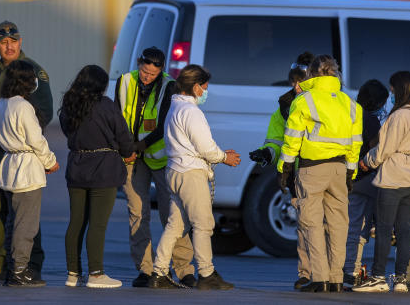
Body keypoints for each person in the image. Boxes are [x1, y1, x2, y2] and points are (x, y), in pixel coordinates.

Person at [148, 64, 241, 290]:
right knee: (203, 225)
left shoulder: (174, 108)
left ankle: (159, 272)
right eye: (205, 87)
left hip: (174, 171)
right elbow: (205, 147)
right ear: (197, 87)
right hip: (190, 173)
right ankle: (207, 274)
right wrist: (223, 157)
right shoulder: (191, 112)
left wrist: (217, 154)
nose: (206, 92)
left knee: (175, 225)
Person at [0, 21, 53, 281]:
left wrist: (27, 144)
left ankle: (30, 263)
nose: (9, 46)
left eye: (13, 41)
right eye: (3, 42)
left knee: (25, 212)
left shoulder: (33, 71)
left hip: (21, 152)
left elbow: (42, 113)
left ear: (21, 42)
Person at [278, 54, 362, 293]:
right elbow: (356, 143)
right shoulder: (350, 103)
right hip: (339, 169)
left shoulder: (304, 100)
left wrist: (284, 167)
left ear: (312, 74)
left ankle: (319, 278)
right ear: (335, 74)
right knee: (339, 226)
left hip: (311, 169)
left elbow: (292, 138)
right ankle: (336, 279)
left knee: (311, 223)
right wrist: (350, 173)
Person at [115, 47, 195, 287]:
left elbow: (162, 125)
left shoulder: (169, 86)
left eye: (151, 74)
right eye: (143, 71)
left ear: (161, 71)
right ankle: (145, 269)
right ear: (138, 64)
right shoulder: (125, 81)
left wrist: (138, 146)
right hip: (132, 158)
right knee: (137, 213)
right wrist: (126, 148)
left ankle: (184, 269)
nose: (146, 77)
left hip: (159, 158)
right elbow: (117, 116)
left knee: (172, 214)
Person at [354, 71, 410, 294]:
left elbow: (385, 149)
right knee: (404, 230)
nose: (390, 94)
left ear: (399, 90)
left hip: (394, 177)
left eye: (392, 90)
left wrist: (367, 161)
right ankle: (401, 279)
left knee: (385, 229)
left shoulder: (398, 116)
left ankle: (378, 277)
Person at [59, 64, 136, 288]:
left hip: (77, 166)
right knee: (98, 224)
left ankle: (73, 274)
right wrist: (128, 152)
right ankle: (96, 274)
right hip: (103, 169)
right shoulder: (106, 105)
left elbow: (67, 131)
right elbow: (123, 135)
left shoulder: (69, 105)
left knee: (76, 222)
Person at [247, 51, 313, 290]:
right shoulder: (284, 107)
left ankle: (332, 275)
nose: (296, 86)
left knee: (330, 228)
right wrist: (267, 153)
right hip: (299, 173)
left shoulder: (329, 102)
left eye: (301, 81)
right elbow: (276, 140)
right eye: (293, 81)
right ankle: (306, 274)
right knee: (305, 226)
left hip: (325, 171)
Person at [0, 60, 59, 288]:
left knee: (13, 222)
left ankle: (11, 268)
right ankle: (20, 270)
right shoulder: (23, 106)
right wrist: (50, 161)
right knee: (27, 225)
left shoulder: (3, 103)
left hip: (9, 165)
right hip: (26, 168)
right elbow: (36, 139)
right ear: (25, 81)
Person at [344, 79, 390, 288]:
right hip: (364, 179)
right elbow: (375, 150)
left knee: (347, 225)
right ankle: (350, 270)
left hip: (347, 176)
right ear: (377, 102)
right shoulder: (370, 120)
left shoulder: (349, 113)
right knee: (359, 228)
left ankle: (345, 267)